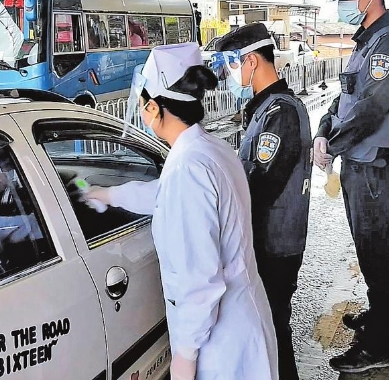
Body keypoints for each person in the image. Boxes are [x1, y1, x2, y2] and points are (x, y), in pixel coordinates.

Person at [84, 42, 278, 379]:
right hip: (242, 324)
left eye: (142, 104)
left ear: (155, 108)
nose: (141, 111)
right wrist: (110, 194)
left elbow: (199, 281)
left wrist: (185, 357)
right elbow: (164, 195)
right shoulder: (210, 150)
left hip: (221, 344)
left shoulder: (188, 168)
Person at [313, 0, 389, 373]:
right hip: (360, 168)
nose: (344, 4)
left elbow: (372, 108)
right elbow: (344, 100)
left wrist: (332, 146)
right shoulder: (365, 43)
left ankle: (379, 345)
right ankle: (380, 317)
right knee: (368, 250)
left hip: (378, 170)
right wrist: (323, 131)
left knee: (379, 253)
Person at [214, 22, 313, 380]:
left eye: (232, 63)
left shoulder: (280, 113)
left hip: (274, 244)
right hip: (272, 240)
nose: (228, 74)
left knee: (271, 332)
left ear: (252, 60)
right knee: (268, 330)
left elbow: (261, 184)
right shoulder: (266, 109)